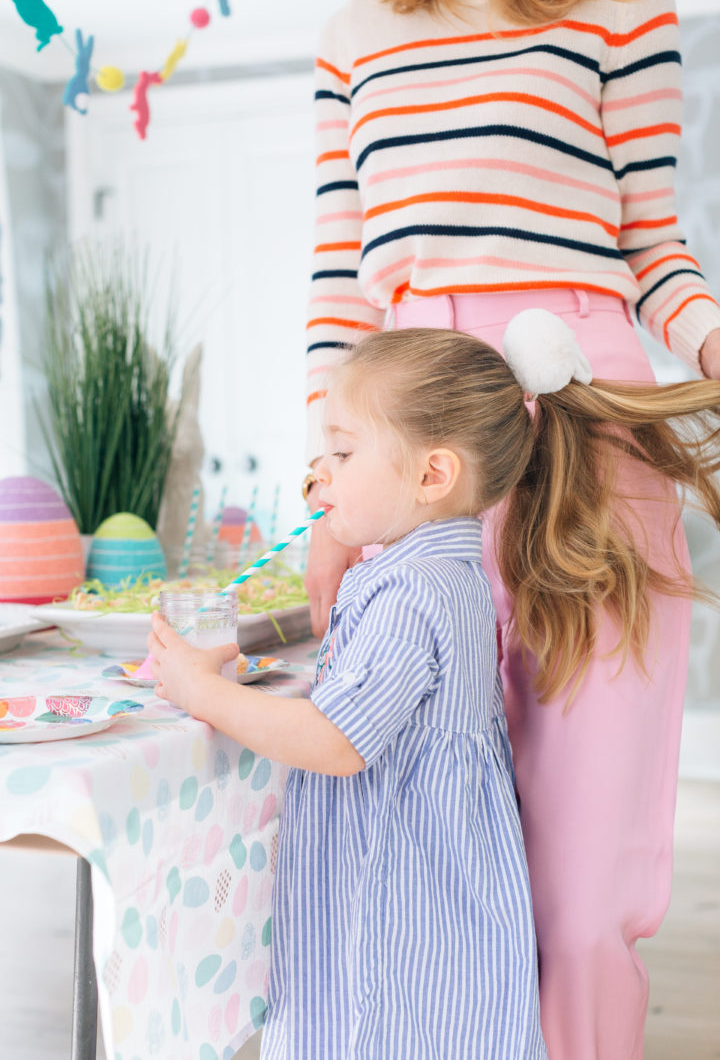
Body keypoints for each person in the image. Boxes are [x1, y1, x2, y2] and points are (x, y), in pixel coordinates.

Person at [301, 0, 720, 1056]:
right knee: (443, 857)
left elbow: (657, 253)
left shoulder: (622, 0)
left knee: (580, 900)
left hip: (589, 430)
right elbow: (343, 295)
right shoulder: (352, 36)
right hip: (412, 453)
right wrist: (334, 493)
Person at [149, 322, 720, 1059]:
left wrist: (204, 693)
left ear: (432, 475)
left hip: (407, 925)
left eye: (344, 452)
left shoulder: (415, 593)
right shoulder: (426, 573)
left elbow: (337, 741)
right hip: (425, 901)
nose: (317, 475)